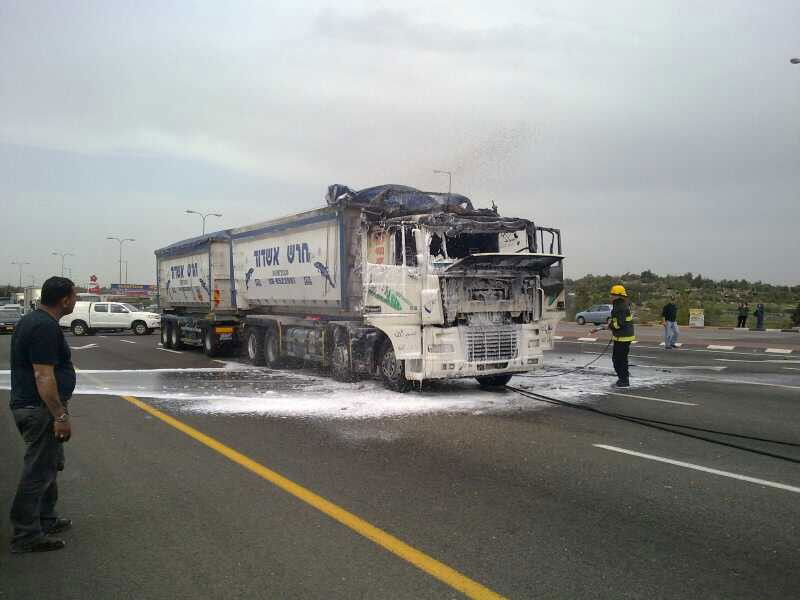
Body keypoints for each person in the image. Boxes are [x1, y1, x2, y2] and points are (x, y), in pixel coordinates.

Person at [9, 277, 77, 554]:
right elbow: (43, 375)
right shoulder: (44, 327)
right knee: (37, 472)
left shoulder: (35, 320)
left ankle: (46, 519)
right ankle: (26, 534)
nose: (76, 301)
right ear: (64, 300)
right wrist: (59, 415)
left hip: (35, 406)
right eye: (75, 296)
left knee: (50, 464)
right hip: (39, 409)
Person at [593, 284, 635, 387]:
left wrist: (611, 326)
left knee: (618, 359)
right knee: (620, 359)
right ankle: (623, 377)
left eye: (612, 294)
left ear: (618, 295)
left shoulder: (620, 307)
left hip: (623, 338)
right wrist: (606, 326)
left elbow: (619, 324)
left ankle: (624, 380)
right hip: (621, 337)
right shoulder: (620, 305)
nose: (611, 296)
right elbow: (616, 321)